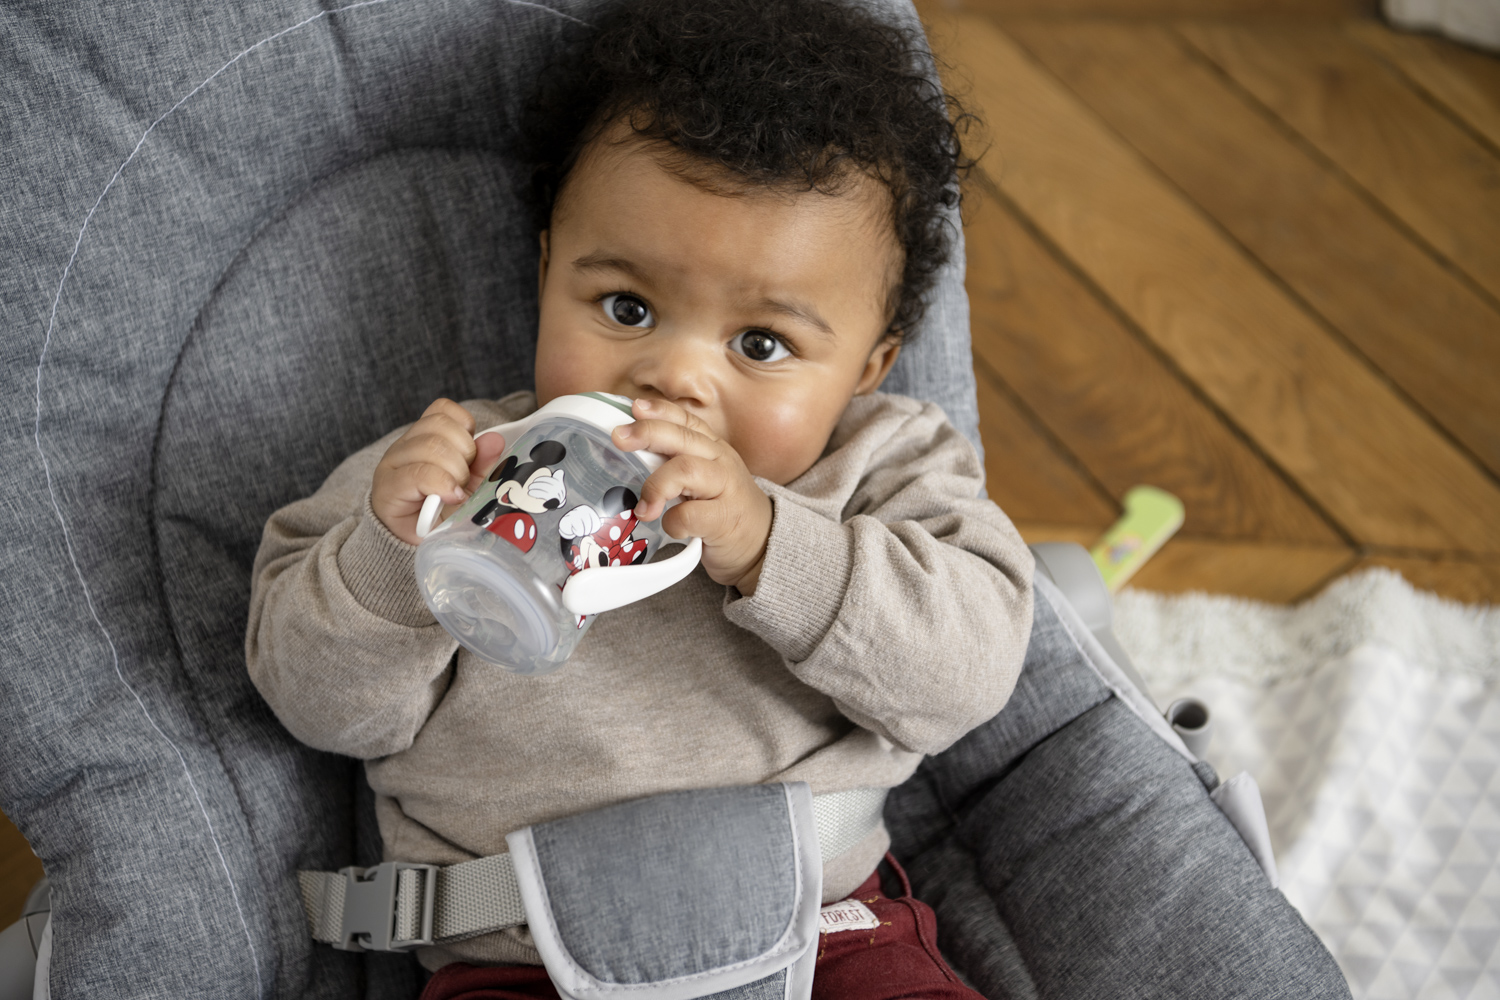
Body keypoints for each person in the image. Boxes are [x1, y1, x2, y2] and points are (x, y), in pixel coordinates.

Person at [246, 0, 1033, 996]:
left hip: (828, 934)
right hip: (519, 952)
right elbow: (313, 703)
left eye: (760, 344)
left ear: (871, 363)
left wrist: (767, 545)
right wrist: (401, 556)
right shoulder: (460, 469)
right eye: (627, 308)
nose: (672, 378)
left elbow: (967, 674)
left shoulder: (883, 465)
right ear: (545, 276)